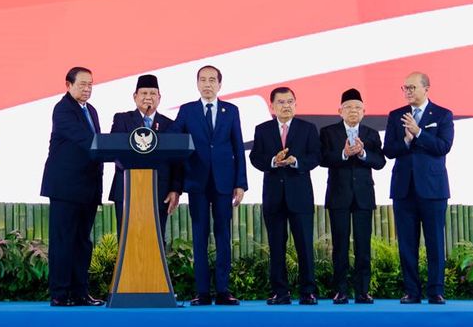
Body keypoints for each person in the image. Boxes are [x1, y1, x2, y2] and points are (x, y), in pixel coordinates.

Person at [172, 65, 247, 306]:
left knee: (223, 234)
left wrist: (240, 183)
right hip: (197, 181)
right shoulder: (187, 110)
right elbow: (174, 138)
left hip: (225, 182)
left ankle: (223, 290)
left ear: (219, 84)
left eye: (212, 80)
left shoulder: (231, 110)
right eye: (203, 80)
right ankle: (202, 292)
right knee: (199, 235)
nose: (207, 84)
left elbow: (238, 148)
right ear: (197, 84)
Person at [383, 72, 454, 305]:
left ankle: (435, 291)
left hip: (433, 189)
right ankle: (412, 291)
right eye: (405, 88)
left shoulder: (442, 115)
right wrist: (405, 141)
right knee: (407, 243)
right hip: (404, 189)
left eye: (413, 87)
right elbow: (389, 150)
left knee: (435, 242)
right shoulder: (396, 116)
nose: (408, 92)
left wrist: (419, 133)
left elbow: (443, 146)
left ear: (427, 89)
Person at [40, 67, 105, 307]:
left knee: (82, 242)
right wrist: (113, 147)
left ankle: (80, 293)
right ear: (68, 84)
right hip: (65, 187)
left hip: (87, 187)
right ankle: (60, 293)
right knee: (63, 241)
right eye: (82, 84)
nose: (87, 89)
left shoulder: (92, 111)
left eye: (90, 84)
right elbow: (86, 140)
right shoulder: (63, 109)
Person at [249, 86, 320, 305]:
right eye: (281, 102)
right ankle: (280, 292)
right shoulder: (262, 129)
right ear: (272, 106)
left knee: (304, 246)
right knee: (276, 246)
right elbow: (255, 158)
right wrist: (273, 161)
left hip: (300, 196)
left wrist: (295, 162)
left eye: (290, 101)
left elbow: (316, 156)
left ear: (295, 104)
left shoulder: (307, 128)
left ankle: (308, 291)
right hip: (274, 196)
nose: (286, 106)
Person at [319, 88, 386, 305]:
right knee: (339, 246)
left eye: (357, 107)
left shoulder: (371, 134)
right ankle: (340, 290)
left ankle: (363, 291)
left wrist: (363, 154)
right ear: (340, 111)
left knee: (363, 246)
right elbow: (322, 158)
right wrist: (344, 154)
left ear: (364, 111)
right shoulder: (329, 132)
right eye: (348, 107)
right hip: (338, 195)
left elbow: (380, 162)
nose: (353, 111)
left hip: (364, 196)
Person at [109, 74, 182, 240]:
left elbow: (176, 161)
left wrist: (175, 189)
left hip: (160, 191)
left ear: (159, 98)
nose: (148, 97)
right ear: (135, 97)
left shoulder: (169, 124)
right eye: (144, 93)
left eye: (152, 94)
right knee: (127, 239)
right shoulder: (122, 119)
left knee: (155, 238)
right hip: (127, 188)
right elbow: (114, 148)